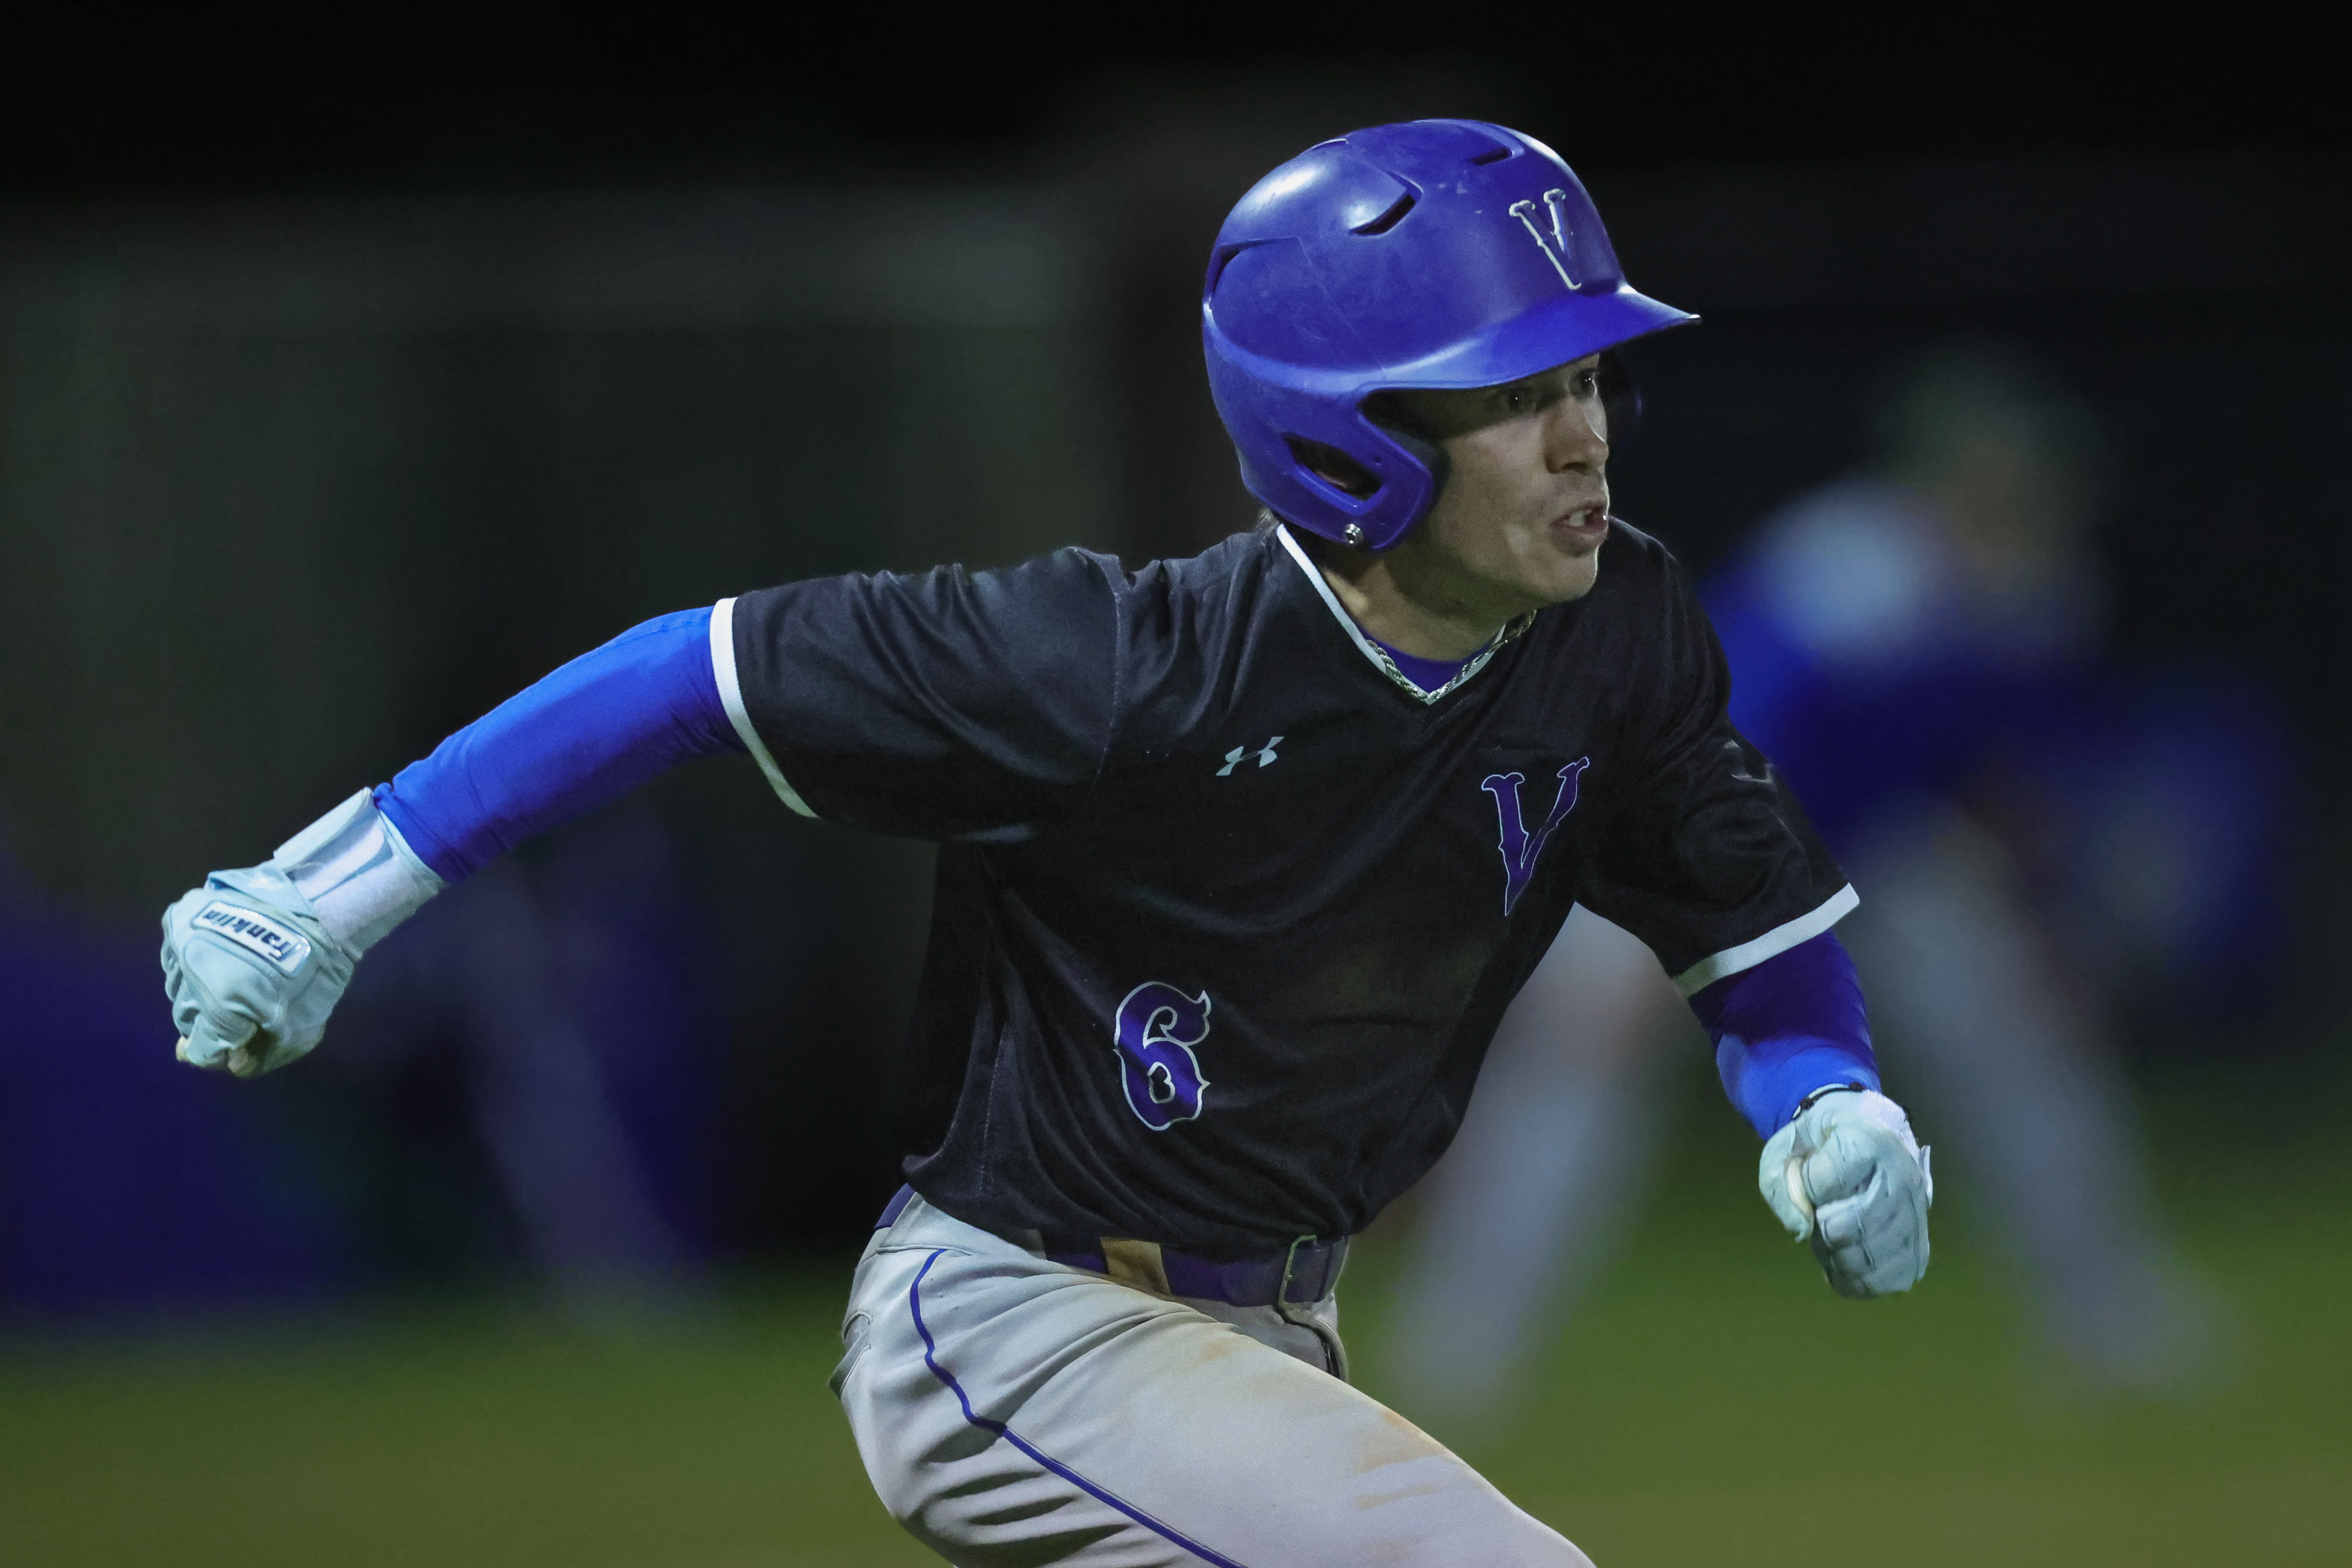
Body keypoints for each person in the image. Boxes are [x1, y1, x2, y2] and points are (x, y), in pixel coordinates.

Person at [157, 120, 1932, 1567]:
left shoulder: (1616, 627)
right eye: (1503, 390)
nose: (1581, 432)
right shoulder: (1114, 669)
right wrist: (333, 884)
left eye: (1588, 370)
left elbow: (1739, 907)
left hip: (1271, 1333)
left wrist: (1825, 1090)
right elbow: (685, 670)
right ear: (1345, 444)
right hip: (1025, 1321)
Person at [1384, 344, 2248, 1431]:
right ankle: (1460, 1349)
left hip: (1879, 849)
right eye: (1996, 467)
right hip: (1679, 813)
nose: (2018, 488)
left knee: (2016, 1035)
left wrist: (2041, 924)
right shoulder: (1855, 564)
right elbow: (1722, 730)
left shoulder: (2046, 589)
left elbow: (2005, 780)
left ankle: (2111, 1315)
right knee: (1586, 1055)